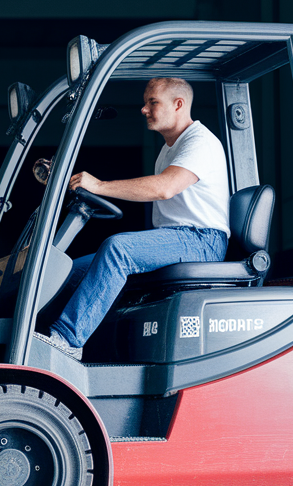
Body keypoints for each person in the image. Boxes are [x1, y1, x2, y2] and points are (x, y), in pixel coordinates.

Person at [42, 77, 230, 360]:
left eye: (152, 102)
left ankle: (67, 340)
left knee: (117, 249)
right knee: (68, 269)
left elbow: (163, 188)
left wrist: (100, 186)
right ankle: (37, 336)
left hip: (201, 240)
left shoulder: (199, 142)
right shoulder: (170, 147)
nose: (143, 109)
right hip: (180, 237)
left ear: (178, 104)